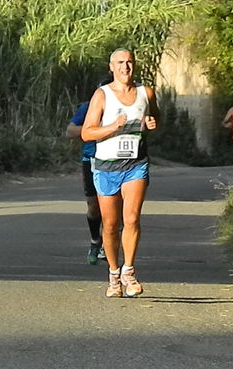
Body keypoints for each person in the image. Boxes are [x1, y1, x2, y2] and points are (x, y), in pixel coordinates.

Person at [81, 49, 159, 298]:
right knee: (111, 225)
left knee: (133, 218)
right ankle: (114, 274)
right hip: (106, 167)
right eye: (120, 63)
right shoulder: (102, 95)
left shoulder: (146, 93)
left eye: (129, 62)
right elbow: (86, 133)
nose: (126, 67)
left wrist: (151, 124)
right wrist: (113, 126)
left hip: (136, 164)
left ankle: (129, 271)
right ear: (111, 67)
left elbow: (155, 117)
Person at [66, 75, 113, 265]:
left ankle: (108, 246)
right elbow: (70, 131)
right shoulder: (88, 108)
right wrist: (94, 129)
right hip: (91, 160)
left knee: (112, 206)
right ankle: (95, 240)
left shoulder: (124, 107)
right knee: (94, 206)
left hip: (115, 161)